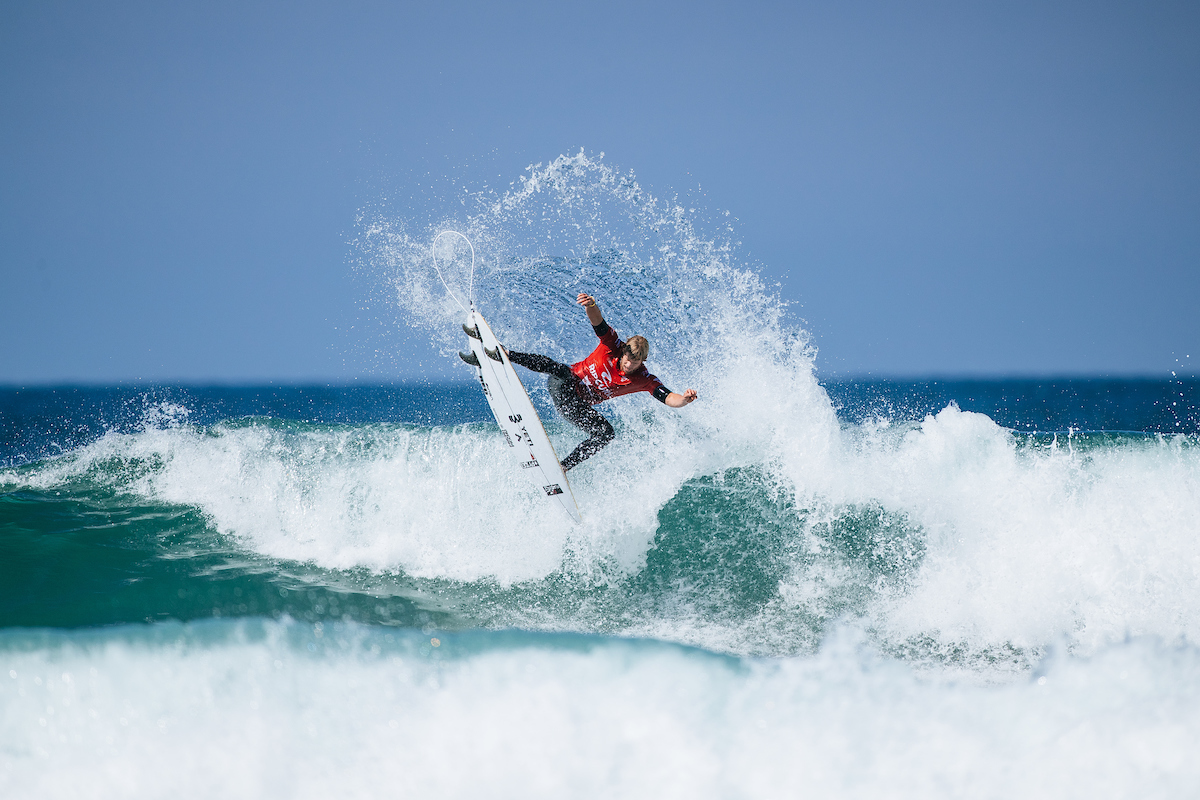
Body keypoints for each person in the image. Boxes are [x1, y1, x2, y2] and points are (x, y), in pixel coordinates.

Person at [461, 293, 698, 471]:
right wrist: (592, 305)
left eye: (635, 363)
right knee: (561, 369)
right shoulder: (612, 345)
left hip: (574, 407)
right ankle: (505, 354)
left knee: (606, 433)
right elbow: (599, 323)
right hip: (562, 384)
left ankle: (562, 467)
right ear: (623, 351)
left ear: (642, 361)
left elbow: (667, 397)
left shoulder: (644, 379)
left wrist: (684, 400)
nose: (629, 365)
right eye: (627, 359)